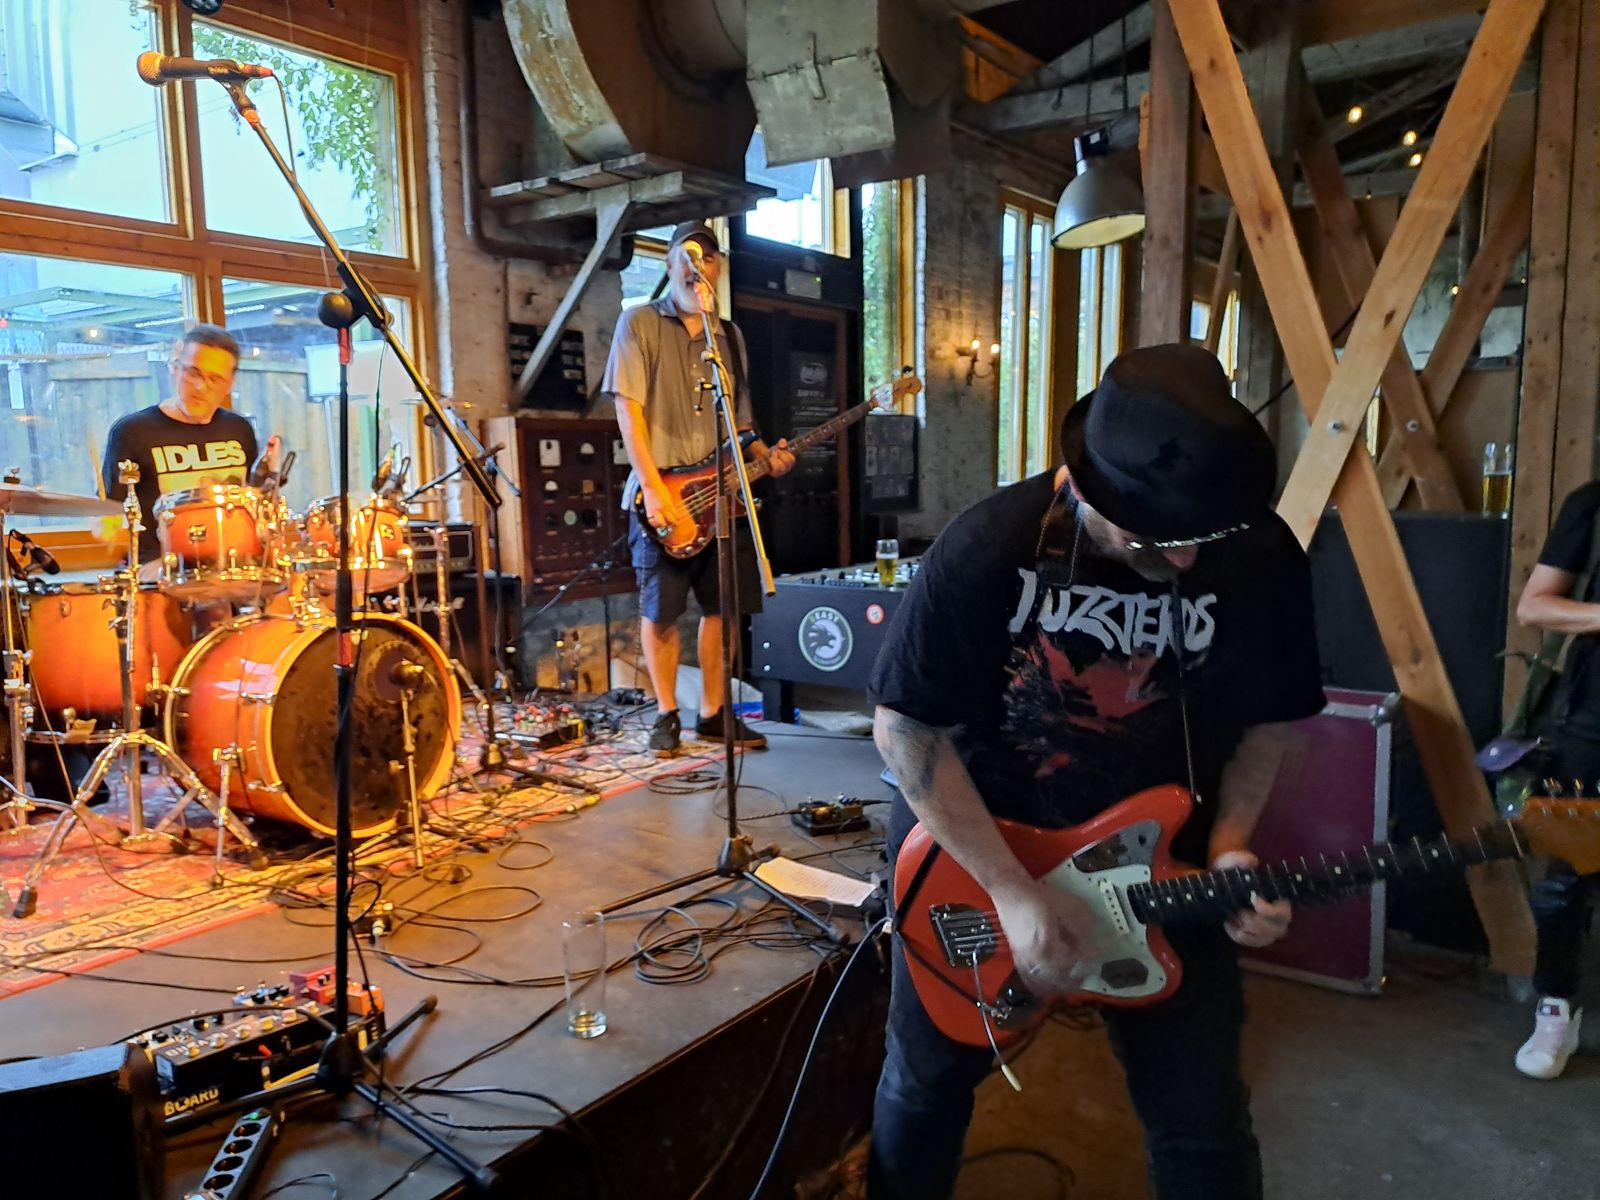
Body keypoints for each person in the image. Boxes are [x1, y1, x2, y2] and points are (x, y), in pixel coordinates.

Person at [865, 344, 1326, 1200]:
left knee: (1204, 1125)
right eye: (1159, 540)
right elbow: (904, 731)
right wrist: (1011, 891)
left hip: (1168, 866)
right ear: (1084, 487)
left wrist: (1231, 845)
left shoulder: (1259, 553)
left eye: (1200, 539)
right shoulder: (988, 546)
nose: (1184, 562)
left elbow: (1273, 720)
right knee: (925, 1088)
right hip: (983, 858)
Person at [604, 221, 795, 754]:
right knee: (661, 611)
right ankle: (667, 713)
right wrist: (652, 487)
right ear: (670, 267)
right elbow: (627, 411)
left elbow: (741, 423)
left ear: (718, 269)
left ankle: (713, 713)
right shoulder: (638, 323)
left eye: (706, 258)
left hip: (723, 496)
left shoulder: (729, 337)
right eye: (686, 258)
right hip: (661, 493)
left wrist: (766, 456)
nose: (696, 267)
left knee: (724, 609)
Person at [1508, 480, 1600, 1080]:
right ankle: (1555, 1008)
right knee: (1568, 872)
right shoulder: (1592, 503)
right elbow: (1535, 607)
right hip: (1593, 717)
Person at [102, 324, 273, 568]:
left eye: (215, 378)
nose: (201, 387)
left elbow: (252, 507)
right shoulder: (132, 431)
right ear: (175, 368)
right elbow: (111, 516)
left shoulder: (239, 430)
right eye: (193, 373)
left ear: (230, 383)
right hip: (160, 569)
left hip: (230, 565)